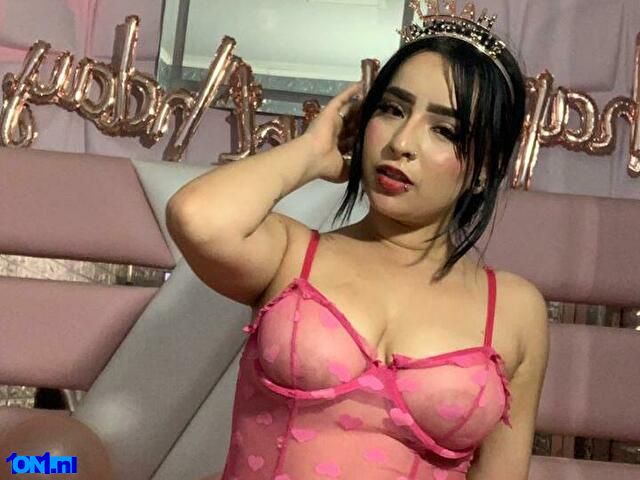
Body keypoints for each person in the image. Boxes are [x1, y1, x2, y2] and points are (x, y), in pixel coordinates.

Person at [166, 6, 549, 479]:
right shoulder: (292, 256)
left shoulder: (513, 310)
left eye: (444, 130)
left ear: (484, 169)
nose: (401, 142)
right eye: (392, 109)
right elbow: (196, 218)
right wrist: (311, 154)